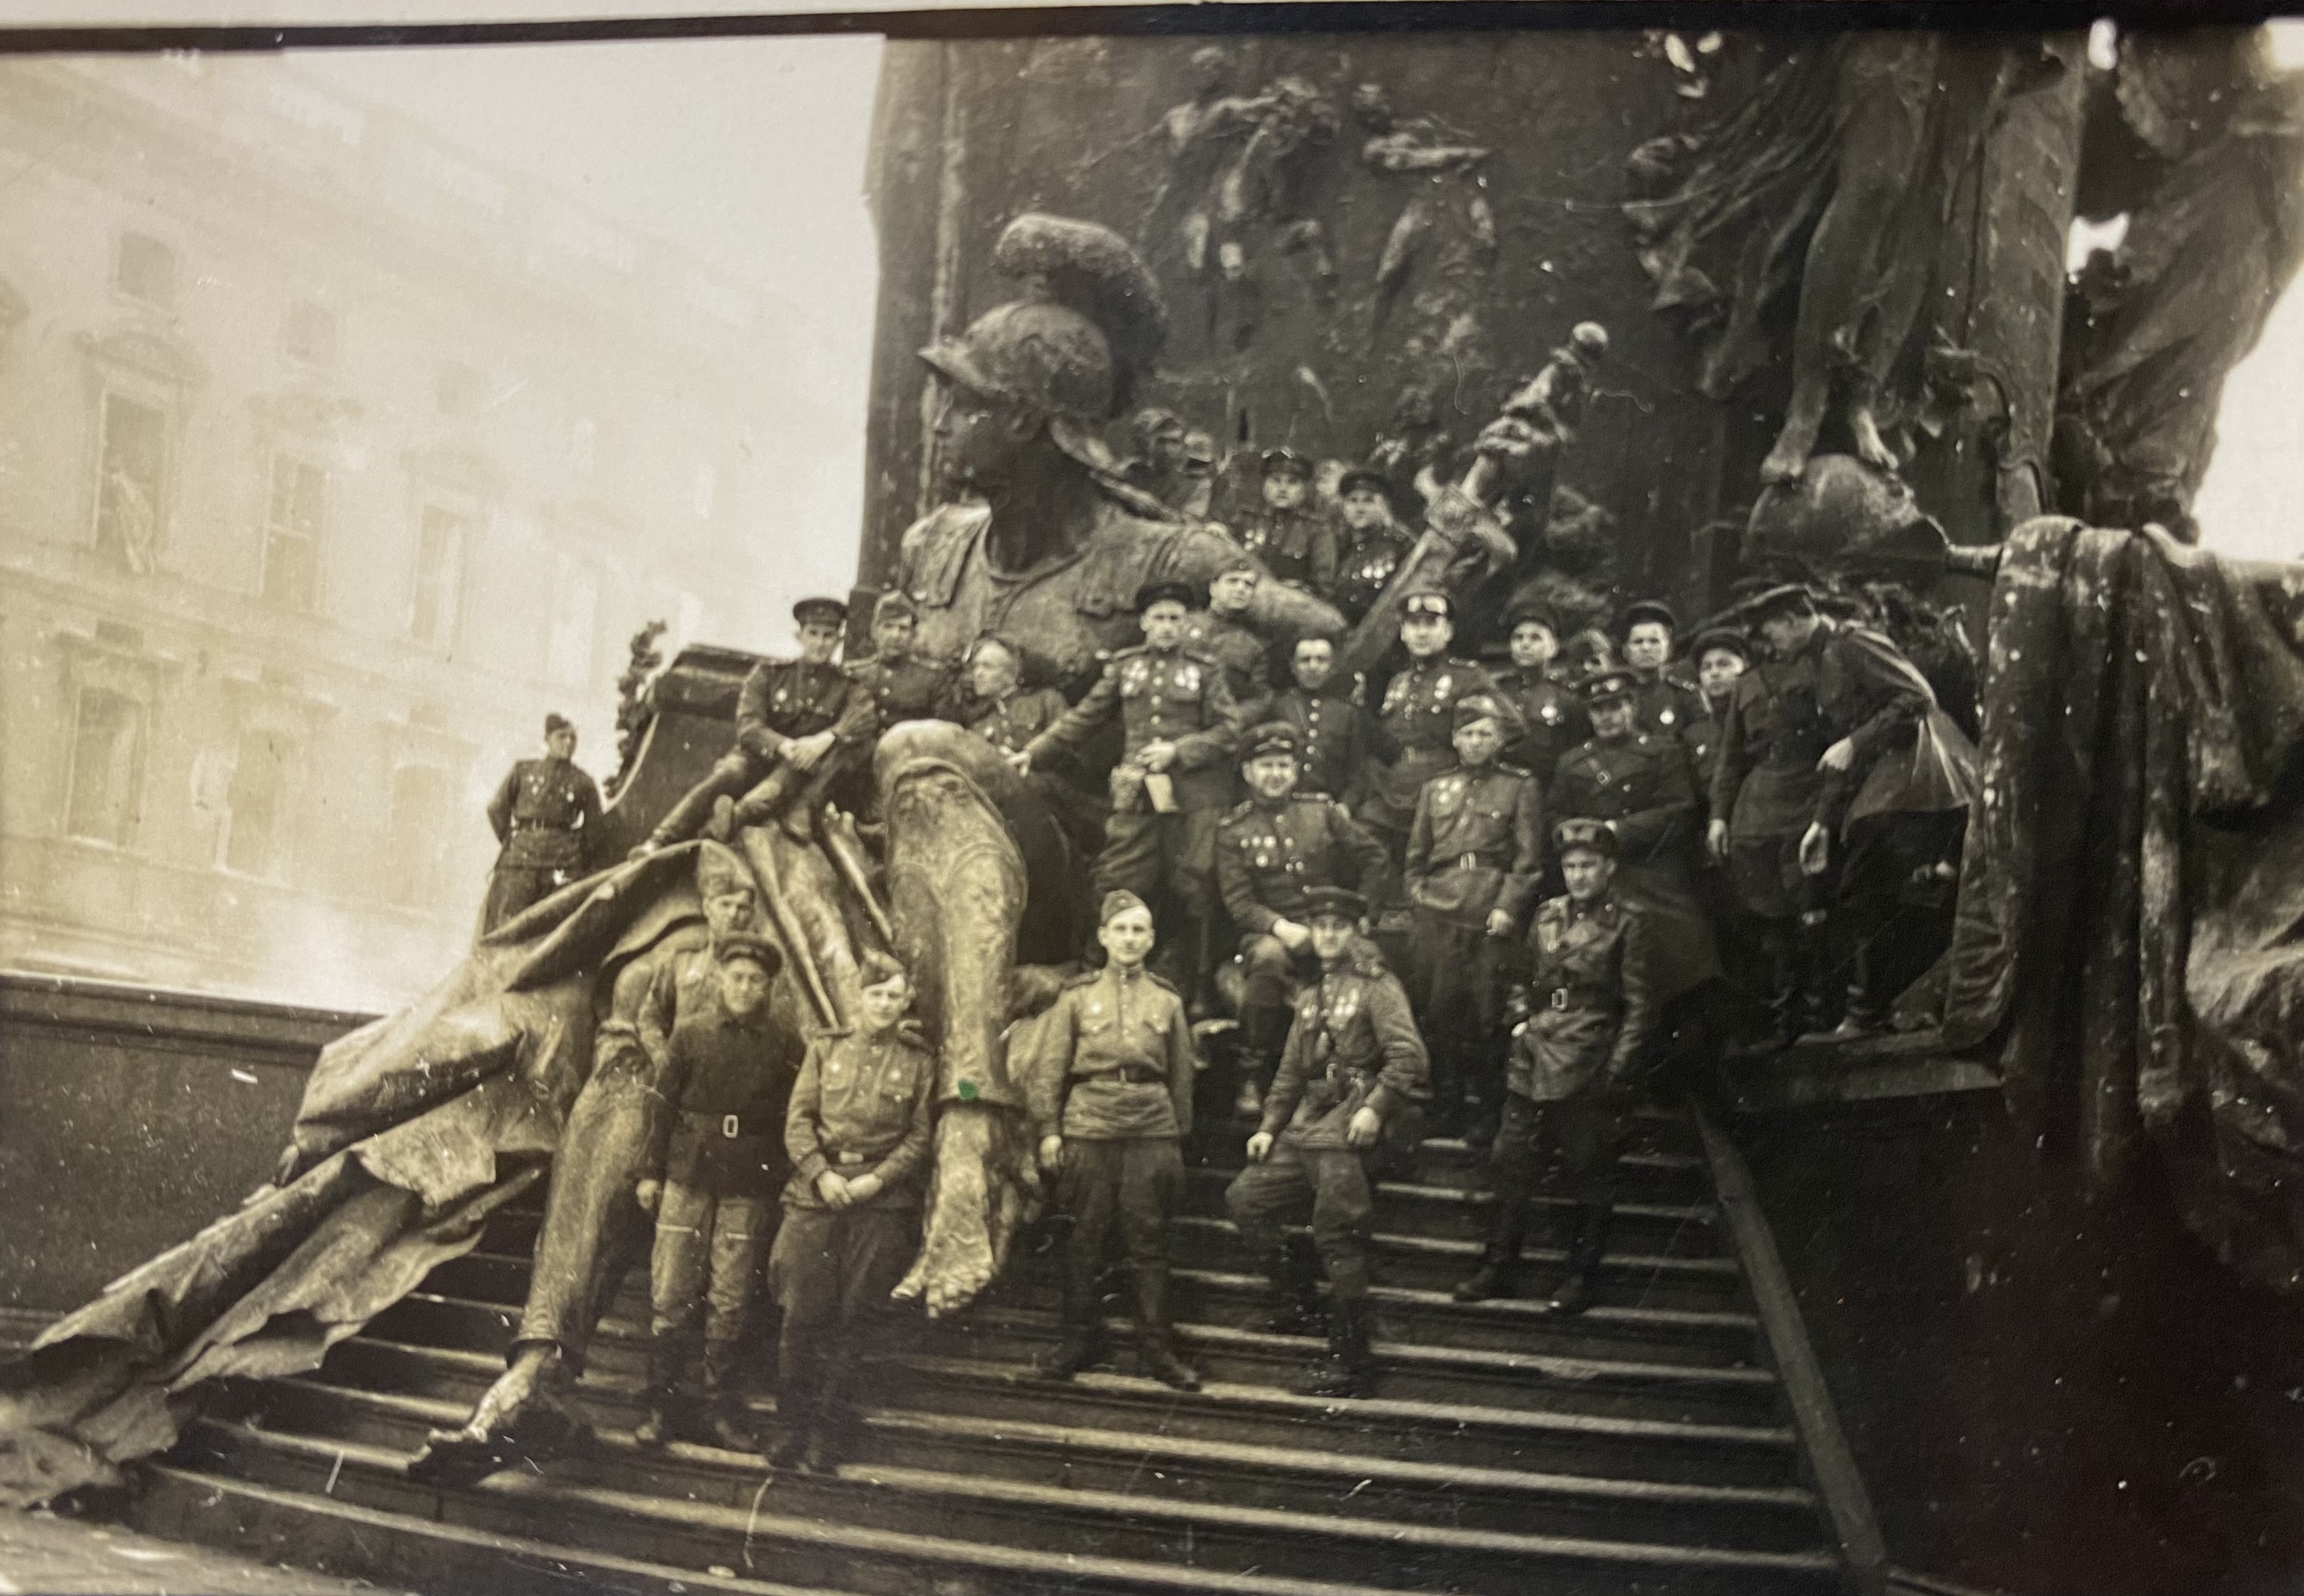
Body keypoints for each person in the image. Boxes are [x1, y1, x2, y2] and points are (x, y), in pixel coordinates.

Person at [1708, 582, 1957, 1040]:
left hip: (1910, 782)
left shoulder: (1852, 643)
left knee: (1867, 893)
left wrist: (1855, 742)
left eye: (1773, 634)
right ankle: (1868, 1009)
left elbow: (1918, 696)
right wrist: (1824, 819)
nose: (1772, 646)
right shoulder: (1820, 657)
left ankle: (1869, 1011)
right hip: (1872, 786)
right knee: (1860, 894)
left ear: (1792, 620)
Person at [1225, 887, 1428, 1400]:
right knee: (1245, 1199)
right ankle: (1300, 1304)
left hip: (1351, 1123)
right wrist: (1268, 1126)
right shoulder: (1312, 994)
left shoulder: (1378, 987)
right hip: (1310, 1124)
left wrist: (1374, 1108)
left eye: (1339, 927)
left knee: (1337, 1233)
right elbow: (1291, 1071)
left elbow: (1408, 1057)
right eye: (1321, 927)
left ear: (1355, 931)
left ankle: (1352, 1363)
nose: (1329, 935)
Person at [1452, 818, 1657, 1314]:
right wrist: (1520, 1020)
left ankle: (1581, 1276)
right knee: (1510, 1163)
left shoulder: (1628, 922)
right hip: (1534, 1053)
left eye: (1589, 865)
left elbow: (1640, 1006)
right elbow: (1521, 978)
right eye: (1571, 867)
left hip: (1588, 1056)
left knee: (1588, 1170)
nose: (1579, 875)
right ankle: (1499, 1266)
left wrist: (1617, 1069)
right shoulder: (1546, 915)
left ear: (1609, 868)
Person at [1015, 579, 1244, 1000]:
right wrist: (1033, 753)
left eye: (1175, 618)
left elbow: (1230, 730)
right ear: (1144, 623)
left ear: (1186, 623)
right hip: (1138, 797)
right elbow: (1084, 717)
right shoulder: (1125, 667)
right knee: (1116, 878)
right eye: (1159, 618)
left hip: (1194, 800)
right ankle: (1096, 978)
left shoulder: (1205, 669)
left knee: (1197, 888)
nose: (1167, 626)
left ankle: (1198, 991)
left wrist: (1179, 751)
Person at [769, 950, 938, 1472]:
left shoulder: (919, 1061)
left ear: (906, 1002)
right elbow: (798, 1120)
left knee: (855, 1316)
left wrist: (875, 1180)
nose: (884, 1004)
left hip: (880, 1200)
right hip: (816, 1194)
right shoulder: (826, 1048)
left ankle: (827, 1430)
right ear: (859, 997)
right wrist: (821, 1174)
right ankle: (790, 1426)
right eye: (876, 994)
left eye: (894, 996)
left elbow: (920, 1136)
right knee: (800, 1311)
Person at [633, 932, 803, 1452]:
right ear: (720, 979)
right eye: (737, 978)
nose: (745, 988)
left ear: (768, 987)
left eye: (756, 981)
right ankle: (662, 1407)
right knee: (671, 1290)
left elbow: (793, 1117)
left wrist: (777, 1180)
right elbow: (660, 1105)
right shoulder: (690, 1034)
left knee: (730, 1295)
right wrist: (649, 1173)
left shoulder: (785, 1043)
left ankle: (717, 1408)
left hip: (748, 1184)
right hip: (688, 1175)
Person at [1028, 890, 1203, 1391]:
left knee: (1149, 1242)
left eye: (1138, 930)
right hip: (1090, 1125)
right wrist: (1049, 1131)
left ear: (1151, 940)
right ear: (1104, 937)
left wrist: (1174, 1138)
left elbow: (1182, 1077)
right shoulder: (1076, 997)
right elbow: (1048, 1071)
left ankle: (1157, 1350)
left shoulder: (1167, 1001)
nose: (1129, 939)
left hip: (1150, 1128)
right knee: (1082, 1239)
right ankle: (1077, 1342)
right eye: (1120, 929)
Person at [1216, 723, 1392, 1116]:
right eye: (1266, 766)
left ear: (1296, 771)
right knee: (1269, 959)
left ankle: (1367, 1072)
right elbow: (1239, 902)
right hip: (1270, 931)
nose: (1275, 774)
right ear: (1248, 773)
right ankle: (1252, 1071)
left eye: (1283, 765)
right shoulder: (1233, 830)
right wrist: (1281, 927)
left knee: (1368, 958)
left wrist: (1363, 915)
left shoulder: (1321, 811)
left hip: (1328, 923)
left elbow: (1375, 857)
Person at [1549, 667, 1724, 1052]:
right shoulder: (1572, 762)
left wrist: (1618, 830)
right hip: (1596, 875)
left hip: (1651, 869)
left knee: (1684, 947)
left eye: (1615, 706)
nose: (1607, 716)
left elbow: (1680, 809)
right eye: (1598, 709)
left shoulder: (1662, 752)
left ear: (1632, 706)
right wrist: (1582, 837)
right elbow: (1556, 816)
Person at [1402, 695, 1544, 1144]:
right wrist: (1420, 898)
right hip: (1439, 912)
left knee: (1487, 1015)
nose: (1477, 741)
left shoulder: (1519, 786)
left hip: (1489, 910)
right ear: (1455, 739)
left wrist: (1508, 907)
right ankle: (1447, 1107)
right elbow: (1415, 858)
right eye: (1468, 733)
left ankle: (1486, 1110)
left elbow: (1529, 861)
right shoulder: (1435, 789)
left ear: (1500, 739)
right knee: (1439, 1012)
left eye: (1485, 733)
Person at [638, 597, 875, 851]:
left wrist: (824, 740)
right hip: (755, 758)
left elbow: (864, 717)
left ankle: (721, 825)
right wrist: (783, 746)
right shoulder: (770, 674)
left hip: (799, 769)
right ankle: (660, 840)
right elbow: (749, 725)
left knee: (769, 794)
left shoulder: (847, 685)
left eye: (828, 636)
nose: (820, 643)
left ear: (838, 640)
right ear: (799, 636)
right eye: (813, 633)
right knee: (727, 776)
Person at [1360, 589, 1507, 869]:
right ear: (1403, 633)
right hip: (1397, 790)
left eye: (1431, 623)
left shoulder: (1469, 677)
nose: (1422, 632)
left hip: (1447, 789)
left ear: (1448, 631)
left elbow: (1509, 728)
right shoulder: (1398, 682)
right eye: (1414, 624)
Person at [480, 714, 603, 934]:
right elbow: (497, 809)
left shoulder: (583, 782)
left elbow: (594, 831)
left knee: (553, 930)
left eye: (573, 738)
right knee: (507, 927)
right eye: (562, 737)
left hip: (561, 865)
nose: (568, 743)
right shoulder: (523, 771)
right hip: (520, 862)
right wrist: (513, 841)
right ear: (548, 739)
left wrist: (573, 853)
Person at [1264, 632, 1394, 811]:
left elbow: (1357, 776)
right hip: (1282, 807)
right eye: (1305, 660)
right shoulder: (1278, 707)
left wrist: (1345, 807)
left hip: (1328, 810)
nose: (1313, 667)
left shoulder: (1348, 714)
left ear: (1332, 666)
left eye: (1321, 660)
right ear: (1293, 666)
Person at [1492, 597, 1590, 789]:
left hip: (1547, 790)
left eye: (1535, 638)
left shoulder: (1568, 698)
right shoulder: (1496, 693)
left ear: (1553, 647)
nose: (1525, 644)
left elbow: (1577, 755)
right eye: (1518, 638)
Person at [846, 592, 962, 730]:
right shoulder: (853, 674)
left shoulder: (933, 679)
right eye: (888, 627)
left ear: (913, 635)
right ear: (874, 631)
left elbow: (945, 732)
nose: (896, 636)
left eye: (903, 629)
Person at [1235, 447, 1337, 597]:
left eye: (1292, 482)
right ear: (1265, 484)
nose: (1283, 489)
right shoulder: (1245, 520)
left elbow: (1323, 585)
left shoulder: (1316, 529)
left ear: (1304, 489)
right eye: (1276, 480)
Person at [1183, 556, 1274, 721]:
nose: (1241, 589)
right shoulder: (1182, 625)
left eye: (1248, 584)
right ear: (1213, 588)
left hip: (1220, 725)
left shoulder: (1253, 646)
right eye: (1233, 581)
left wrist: (1233, 718)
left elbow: (1260, 699)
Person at [1331, 467, 1414, 624]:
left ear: (1383, 505)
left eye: (1368, 501)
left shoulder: (1400, 545)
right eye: (1353, 501)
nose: (1360, 509)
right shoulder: (1336, 545)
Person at [1617, 598, 1706, 738]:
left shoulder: (1685, 696)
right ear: (1625, 651)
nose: (1646, 648)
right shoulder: (1616, 696)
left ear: (1669, 649)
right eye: (1638, 642)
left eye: (1654, 641)